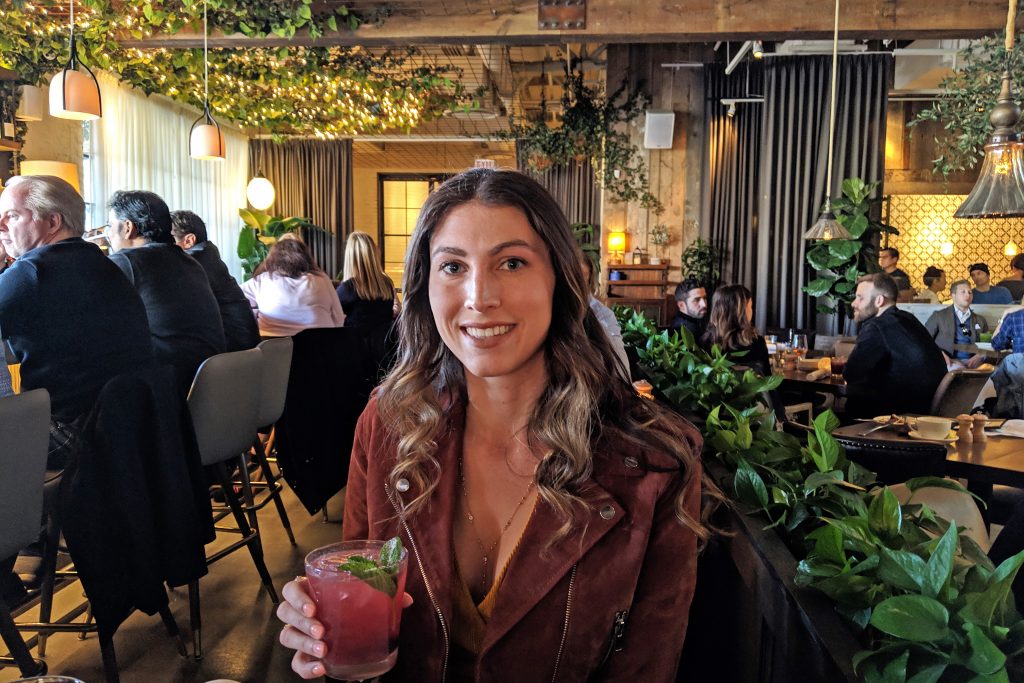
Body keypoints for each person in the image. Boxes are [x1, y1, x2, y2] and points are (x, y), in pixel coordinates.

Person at [275, 169, 713, 681]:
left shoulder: (654, 461)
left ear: (562, 280)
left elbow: (646, 669)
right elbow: (364, 612)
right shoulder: (388, 423)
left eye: (511, 262)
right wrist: (323, 637)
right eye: (453, 266)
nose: (479, 296)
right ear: (425, 287)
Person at [0, 175, 154, 604]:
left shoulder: (33, 270)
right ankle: (19, 555)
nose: (1, 227)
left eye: (10, 216)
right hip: (121, 433)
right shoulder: (106, 266)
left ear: (51, 222)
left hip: (72, 435)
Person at [106, 191, 225, 393]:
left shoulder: (128, 261)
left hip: (169, 391)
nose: (107, 234)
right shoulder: (190, 261)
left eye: (109, 226)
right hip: (209, 384)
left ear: (128, 228)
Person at [843, 273, 947, 419]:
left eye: (860, 297)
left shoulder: (876, 326)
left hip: (891, 420)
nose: (854, 303)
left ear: (879, 300)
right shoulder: (909, 319)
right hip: (923, 415)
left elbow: (851, 373)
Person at [170, 210, 260, 352]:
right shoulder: (207, 257)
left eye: (169, 240)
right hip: (242, 348)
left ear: (189, 240)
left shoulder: (194, 264)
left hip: (231, 352)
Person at [241, 238, 344, 337]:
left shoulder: (261, 281)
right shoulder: (321, 278)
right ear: (306, 258)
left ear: (273, 258)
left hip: (272, 350)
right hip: (320, 348)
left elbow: (235, 301)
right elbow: (339, 318)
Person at [580, 252, 630, 380]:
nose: (575, 285)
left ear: (589, 281)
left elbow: (621, 368)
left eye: (582, 279)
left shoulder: (601, 314)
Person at [700, 284, 770, 374]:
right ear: (742, 311)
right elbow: (768, 381)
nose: (753, 311)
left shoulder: (705, 342)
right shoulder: (756, 342)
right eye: (751, 306)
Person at [335, 231, 396, 328]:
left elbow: (331, 316)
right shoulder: (386, 284)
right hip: (383, 343)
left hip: (355, 343)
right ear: (374, 255)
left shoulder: (348, 289)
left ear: (350, 258)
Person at [924, 279, 988, 369]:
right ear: (953, 296)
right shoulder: (939, 316)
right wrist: (941, 355)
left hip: (973, 361)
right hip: (948, 360)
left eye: (970, 292)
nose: (967, 295)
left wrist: (980, 355)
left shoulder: (980, 320)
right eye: (963, 292)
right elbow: (924, 340)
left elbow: (988, 345)